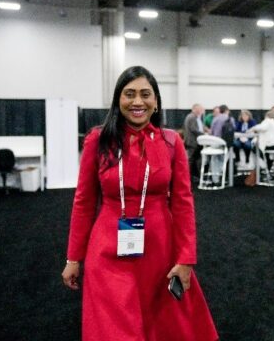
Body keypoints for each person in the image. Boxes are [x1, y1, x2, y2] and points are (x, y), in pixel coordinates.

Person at [62, 66, 218, 341]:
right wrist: (74, 258)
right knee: (114, 328)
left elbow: (183, 204)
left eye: (146, 94)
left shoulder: (172, 143)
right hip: (108, 250)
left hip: (161, 251)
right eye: (129, 94)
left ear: (156, 101)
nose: (137, 102)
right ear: (117, 99)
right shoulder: (98, 141)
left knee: (164, 327)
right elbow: (84, 202)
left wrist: (186, 259)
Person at [183, 103, 205, 180]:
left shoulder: (193, 117)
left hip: (192, 141)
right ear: (195, 109)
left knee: (193, 159)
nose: (201, 111)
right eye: (200, 109)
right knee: (191, 159)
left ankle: (192, 176)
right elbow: (194, 129)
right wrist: (204, 134)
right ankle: (187, 176)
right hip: (192, 141)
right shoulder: (192, 117)